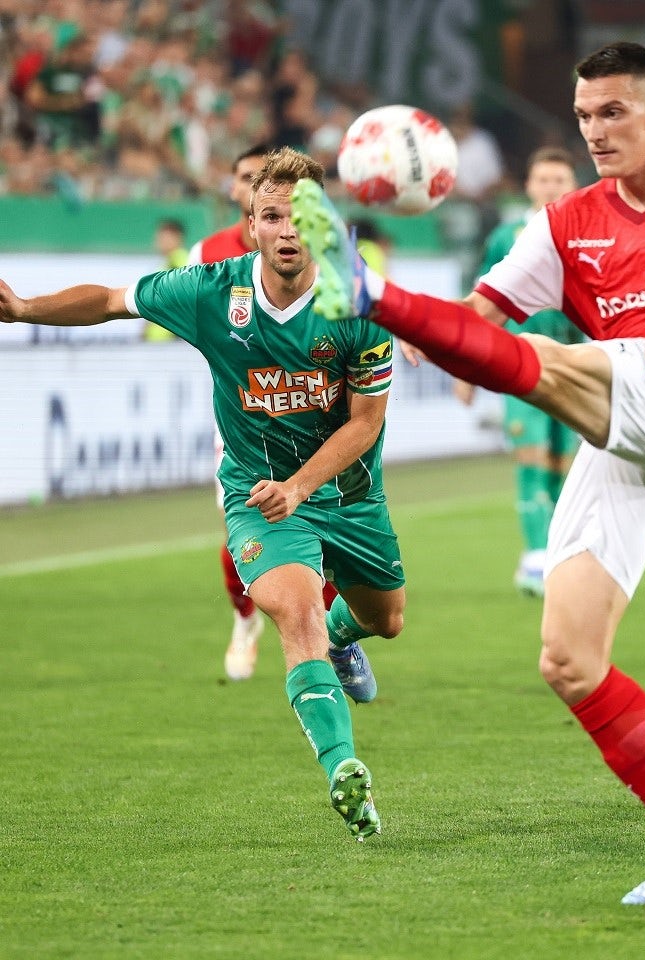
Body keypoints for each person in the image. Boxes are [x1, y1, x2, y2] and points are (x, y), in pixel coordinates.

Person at [291, 40, 645, 905]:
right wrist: (402, 334)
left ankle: (372, 288)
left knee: (564, 358)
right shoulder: (566, 223)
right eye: (584, 117)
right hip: (623, 432)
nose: (596, 132)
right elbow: (480, 319)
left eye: (612, 113)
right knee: (568, 657)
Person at [0, 147, 406, 841]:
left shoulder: (359, 304)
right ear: (250, 226)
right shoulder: (212, 291)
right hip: (258, 495)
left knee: (386, 618)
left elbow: (366, 423)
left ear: (324, 225)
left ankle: (347, 640)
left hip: (348, 495)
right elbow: (109, 300)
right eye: (270, 216)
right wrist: (22, 308)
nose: (286, 231)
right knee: (297, 611)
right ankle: (344, 772)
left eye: (299, 217)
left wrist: (305, 484)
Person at [191, 142, 339, 681]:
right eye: (249, 179)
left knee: (326, 534)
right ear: (239, 193)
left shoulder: (327, 252)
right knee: (242, 527)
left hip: (315, 416)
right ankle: (245, 619)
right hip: (242, 419)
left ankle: (324, 632)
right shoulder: (205, 254)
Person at [436, 146, 586, 598]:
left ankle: (557, 555)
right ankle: (535, 559)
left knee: (564, 465)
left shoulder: (585, 235)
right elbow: (481, 302)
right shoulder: (508, 236)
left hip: (575, 365)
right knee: (532, 458)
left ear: (573, 187)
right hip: (521, 361)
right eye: (543, 180)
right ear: (528, 185)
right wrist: (464, 370)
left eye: (559, 180)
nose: (551, 188)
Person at [144, 217, 186, 342]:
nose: (159, 241)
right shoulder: (165, 263)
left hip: (169, 339)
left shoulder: (180, 260)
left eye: (164, 238)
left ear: (177, 237)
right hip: (157, 338)